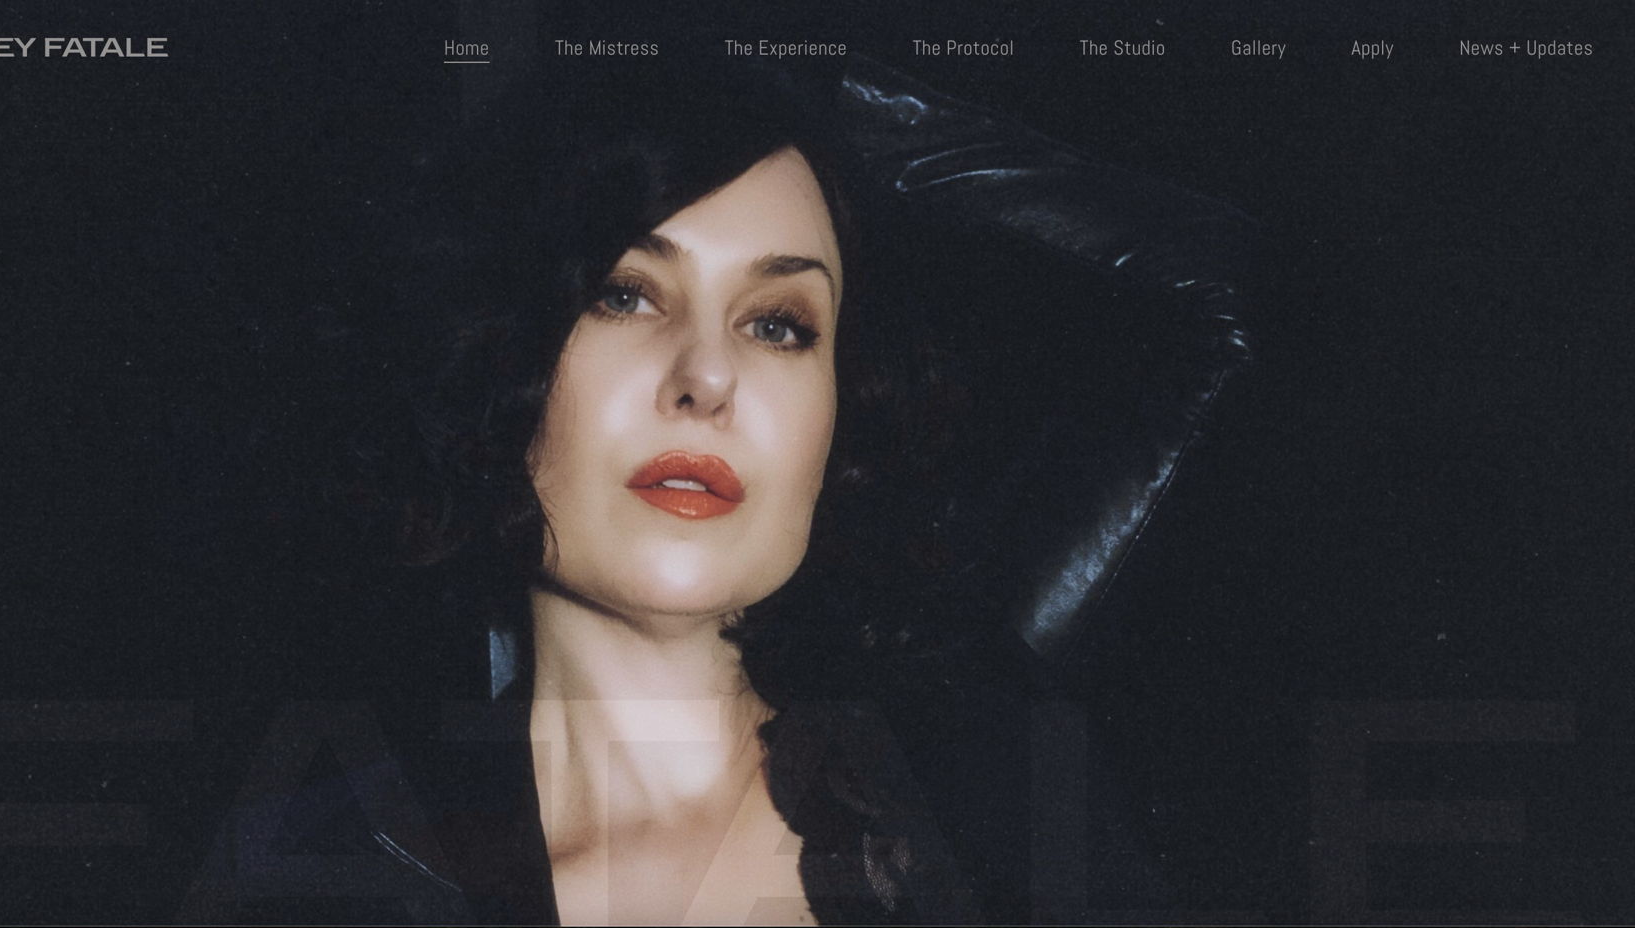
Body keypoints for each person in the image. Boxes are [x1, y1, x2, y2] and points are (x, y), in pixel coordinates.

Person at [252, 56, 1255, 926]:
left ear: (838, 416)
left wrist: (830, 101)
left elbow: (1222, 295)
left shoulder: (993, 779)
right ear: (495, 357)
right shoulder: (342, 878)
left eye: (779, 324)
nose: (708, 376)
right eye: (624, 294)